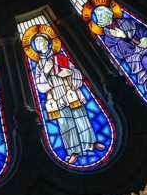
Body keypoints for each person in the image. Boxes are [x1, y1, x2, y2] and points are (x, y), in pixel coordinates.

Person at [28, 32, 101, 163]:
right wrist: (45, 71)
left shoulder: (60, 56)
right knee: (64, 124)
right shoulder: (39, 65)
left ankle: (91, 143)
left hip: (70, 91)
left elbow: (76, 72)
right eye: (37, 42)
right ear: (35, 47)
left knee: (81, 117)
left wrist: (70, 72)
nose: (40, 43)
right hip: (56, 96)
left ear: (48, 42)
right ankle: (73, 151)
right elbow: (39, 84)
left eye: (41, 40)